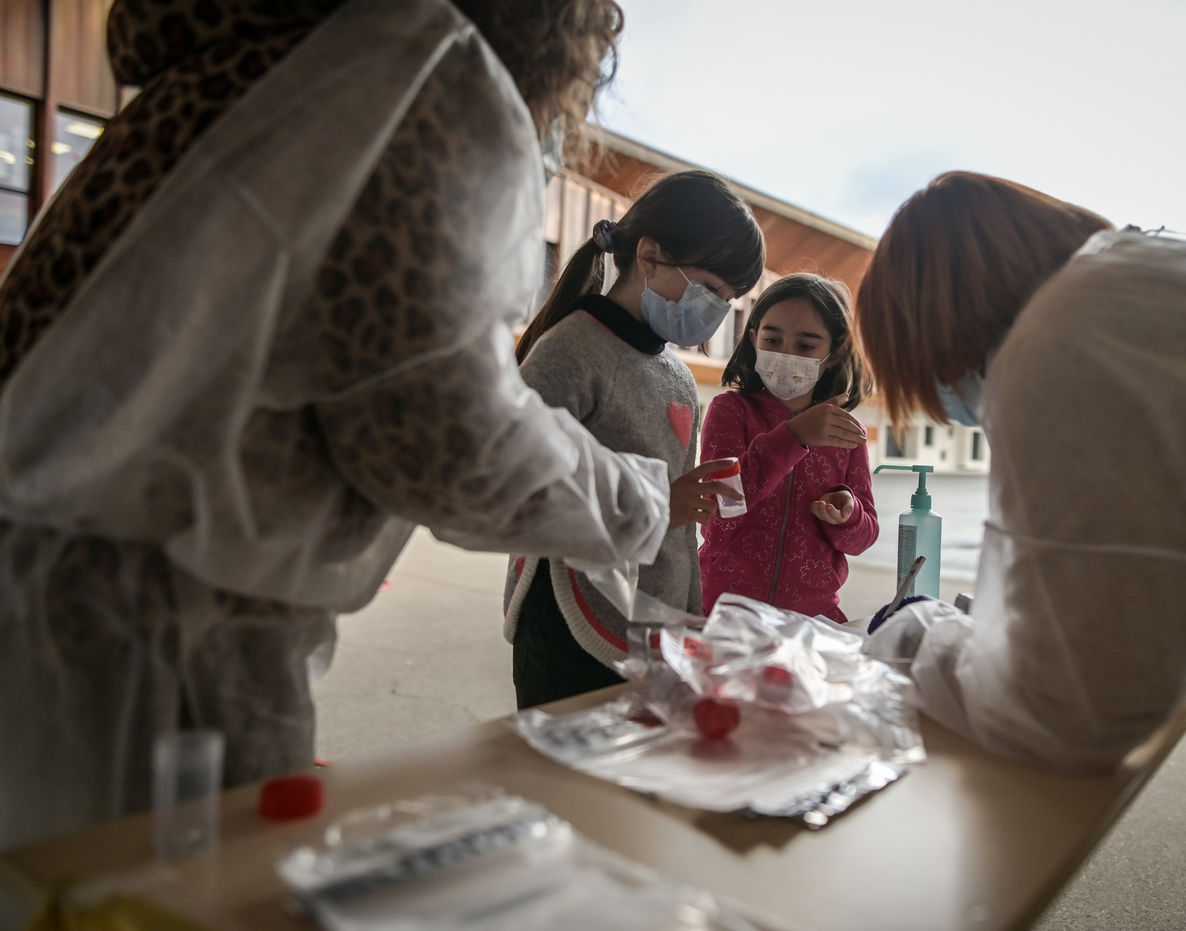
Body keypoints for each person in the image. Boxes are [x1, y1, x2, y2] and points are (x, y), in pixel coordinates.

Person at [0, 0, 677, 852]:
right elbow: (434, 430)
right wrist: (634, 501)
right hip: (166, 634)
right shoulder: (419, 68)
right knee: (170, 892)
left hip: (52, 577)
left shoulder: (266, 58)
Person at [856, 170, 1186, 930]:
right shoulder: (1163, 283)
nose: (960, 400)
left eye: (937, 377)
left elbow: (1075, 711)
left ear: (941, 331)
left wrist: (916, 636)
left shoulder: (1069, 338)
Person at [504, 170, 766, 709]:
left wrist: (690, 611)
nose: (717, 311)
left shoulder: (678, 377)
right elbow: (514, 489)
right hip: (572, 624)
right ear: (649, 256)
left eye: (729, 298)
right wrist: (659, 504)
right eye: (711, 289)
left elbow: (677, 526)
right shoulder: (571, 351)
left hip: (655, 620)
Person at [697, 273, 876, 623]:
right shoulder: (730, 411)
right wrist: (792, 437)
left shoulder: (845, 432)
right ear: (754, 339)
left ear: (835, 354)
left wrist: (848, 513)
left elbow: (863, 537)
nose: (785, 354)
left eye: (805, 346)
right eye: (772, 340)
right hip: (726, 613)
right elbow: (721, 508)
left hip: (812, 620)